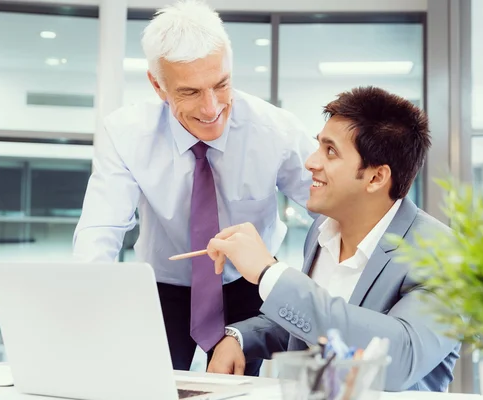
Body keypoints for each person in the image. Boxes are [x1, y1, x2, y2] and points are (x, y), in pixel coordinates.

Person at [72, 0, 315, 376]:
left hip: (247, 284)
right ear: (158, 85)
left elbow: (330, 207)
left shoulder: (276, 131)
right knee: (151, 385)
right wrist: (86, 308)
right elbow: (101, 229)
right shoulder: (126, 133)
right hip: (166, 285)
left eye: (221, 84)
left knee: (240, 390)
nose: (211, 107)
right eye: (189, 92)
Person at [205, 86, 461, 391]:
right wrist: (240, 337)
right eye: (318, 146)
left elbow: (399, 359)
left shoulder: (444, 254)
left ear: (376, 177)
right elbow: (308, 322)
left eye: (330, 151)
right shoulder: (321, 231)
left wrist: (269, 273)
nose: (311, 162)